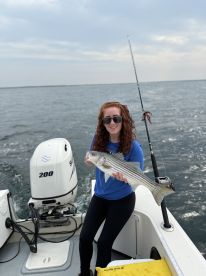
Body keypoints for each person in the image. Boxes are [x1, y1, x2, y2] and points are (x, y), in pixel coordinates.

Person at [79, 101, 144, 276]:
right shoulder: (98, 139)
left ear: (123, 120)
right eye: (107, 120)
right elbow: (91, 158)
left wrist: (126, 178)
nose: (112, 123)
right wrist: (88, 161)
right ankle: (84, 273)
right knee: (85, 238)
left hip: (123, 201)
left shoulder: (133, 147)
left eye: (116, 118)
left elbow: (138, 175)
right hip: (100, 197)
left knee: (104, 243)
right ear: (103, 123)